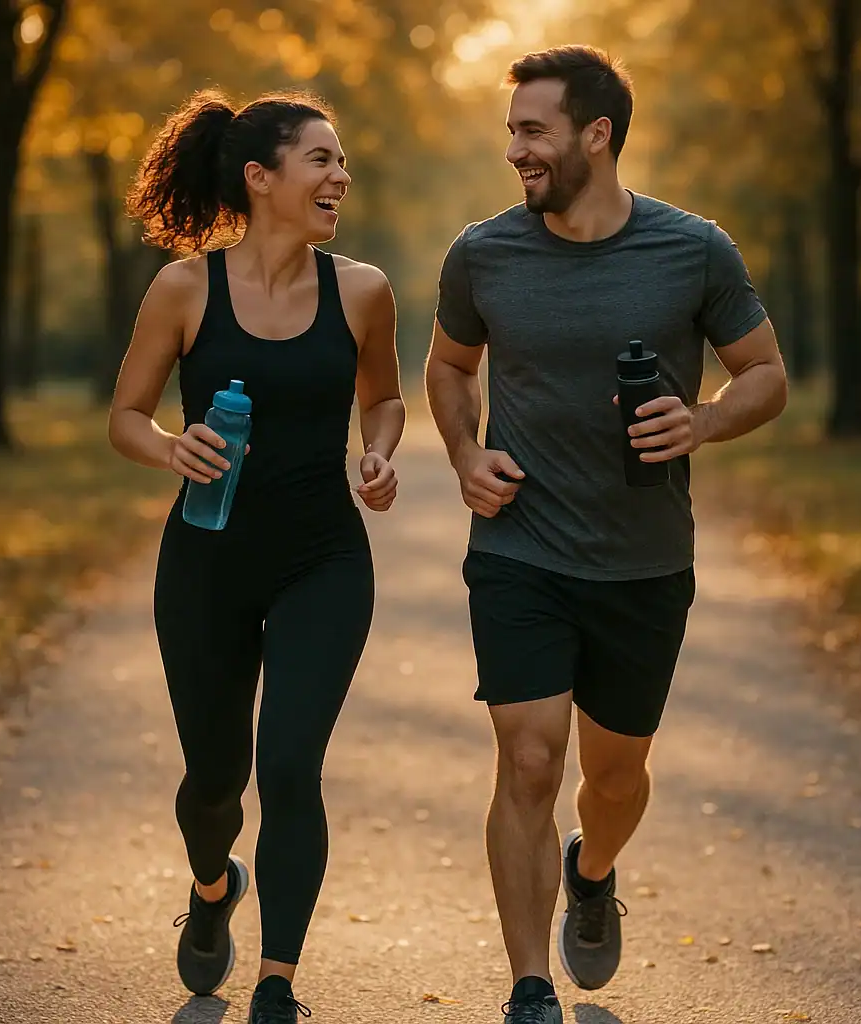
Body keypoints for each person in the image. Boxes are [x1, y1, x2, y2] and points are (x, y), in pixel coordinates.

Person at [425, 45, 788, 1023]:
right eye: (510, 132)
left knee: (613, 776)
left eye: (532, 130)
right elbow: (450, 369)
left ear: (597, 134)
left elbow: (764, 373)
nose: (514, 151)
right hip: (518, 547)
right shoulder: (483, 252)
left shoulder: (692, 249)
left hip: (642, 561)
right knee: (530, 757)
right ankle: (528, 986)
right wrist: (464, 454)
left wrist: (702, 419)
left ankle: (595, 870)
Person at [109, 88, 405, 1023]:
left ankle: (278, 983)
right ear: (261, 176)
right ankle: (210, 886)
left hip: (325, 557)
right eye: (321, 159)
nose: (340, 176)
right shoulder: (185, 289)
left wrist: (379, 451)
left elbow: (386, 399)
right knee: (215, 781)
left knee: (288, 766)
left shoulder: (361, 290)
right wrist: (171, 447)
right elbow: (125, 415)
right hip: (206, 560)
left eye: (341, 160)